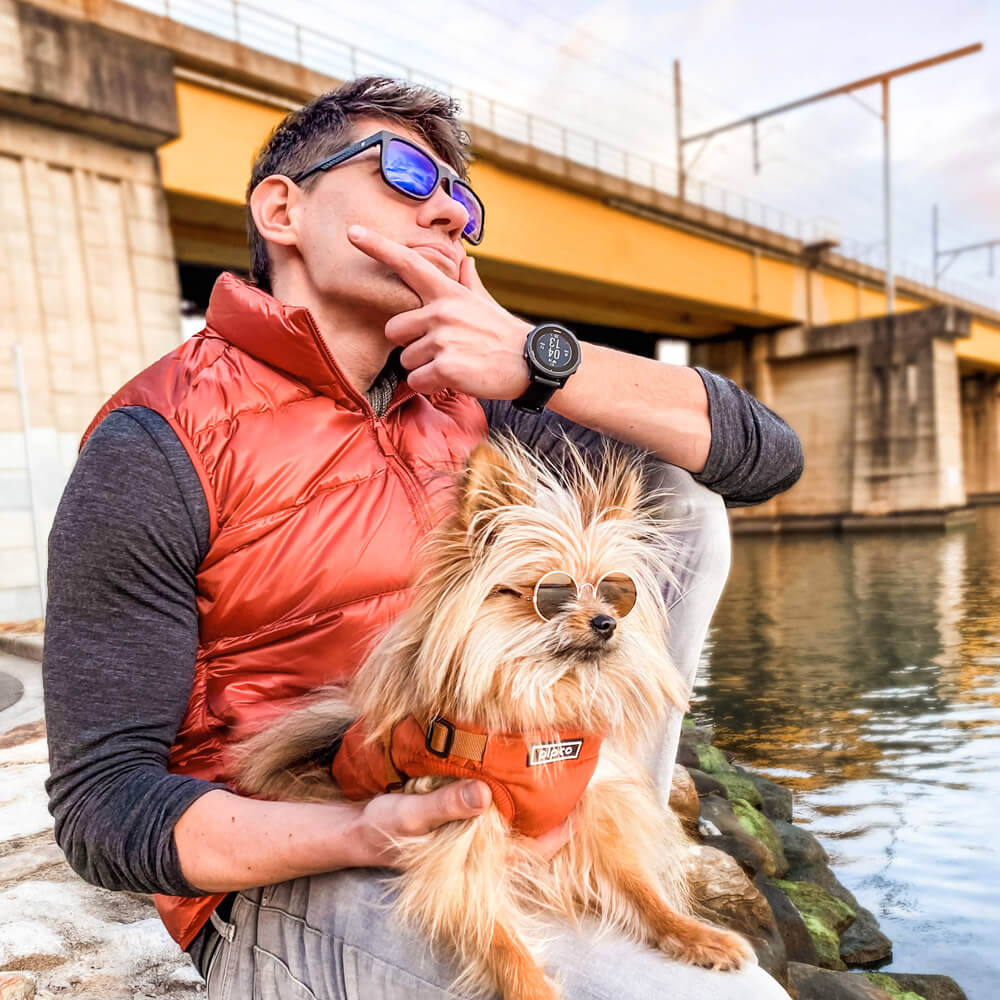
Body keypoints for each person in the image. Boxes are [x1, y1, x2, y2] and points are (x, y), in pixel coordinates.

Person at [43, 76, 802, 998]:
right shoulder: (157, 443)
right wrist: (365, 831)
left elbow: (765, 458)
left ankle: (601, 818)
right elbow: (101, 809)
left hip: (535, 780)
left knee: (676, 489)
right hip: (307, 859)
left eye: (463, 202)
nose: (447, 210)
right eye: (403, 174)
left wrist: (536, 359)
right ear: (283, 208)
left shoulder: (481, 409)